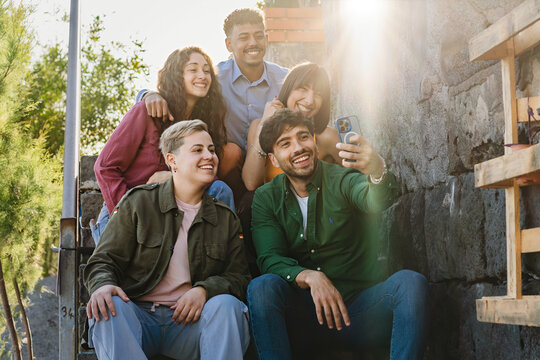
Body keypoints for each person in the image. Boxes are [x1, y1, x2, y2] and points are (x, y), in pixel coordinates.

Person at [247, 109, 429, 359]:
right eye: (285, 143)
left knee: (410, 284)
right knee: (262, 287)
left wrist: (376, 171)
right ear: (274, 159)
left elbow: (372, 199)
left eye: (303, 137)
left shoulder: (342, 179)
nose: (298, 147)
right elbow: (270, 258)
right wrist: (309, 276)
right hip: (304, 319)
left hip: (357, 313)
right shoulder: (266, 198)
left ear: (315, 143)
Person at [84, 120, 251, 360]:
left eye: (212, 150)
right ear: (172, 161)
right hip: (139, 320)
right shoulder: (138, 202)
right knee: (108, 304)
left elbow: (239, 277)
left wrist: (204, 290)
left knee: (227, 306)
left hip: (191, 323)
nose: (209, 156)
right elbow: (103, 260)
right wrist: (101, 285)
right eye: (198, 150)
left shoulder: (225, 217)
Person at [138, 8, 288, 199]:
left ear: (266, 38)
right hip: (225, 169)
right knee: (230, 152)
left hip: (266, 166)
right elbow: (173, 91)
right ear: (228, 44)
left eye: (259, 36)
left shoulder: (284, 79)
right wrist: (147, 94)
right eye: (243, 37)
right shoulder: (213, 78)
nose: (253, 43)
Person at [91, 47, 234, 244]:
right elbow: (105, 167)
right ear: (177, 75)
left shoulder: (202, 123)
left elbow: (206, 173)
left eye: (207, 70)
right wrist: (131, 212)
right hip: (127, 212)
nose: (202, 75)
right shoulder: (147, 111)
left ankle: (223, 264)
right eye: (193, 69)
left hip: (172, 213)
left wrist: (175, 177)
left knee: (219, 189)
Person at [242, 62, 340, 191]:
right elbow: (251, 183)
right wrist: (264, 126)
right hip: (274, 209)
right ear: (288, 89)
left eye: (318, 94)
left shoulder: (327, 137)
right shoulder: (257, 126)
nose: (309, 100)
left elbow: (361, 179)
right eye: (303, 89)